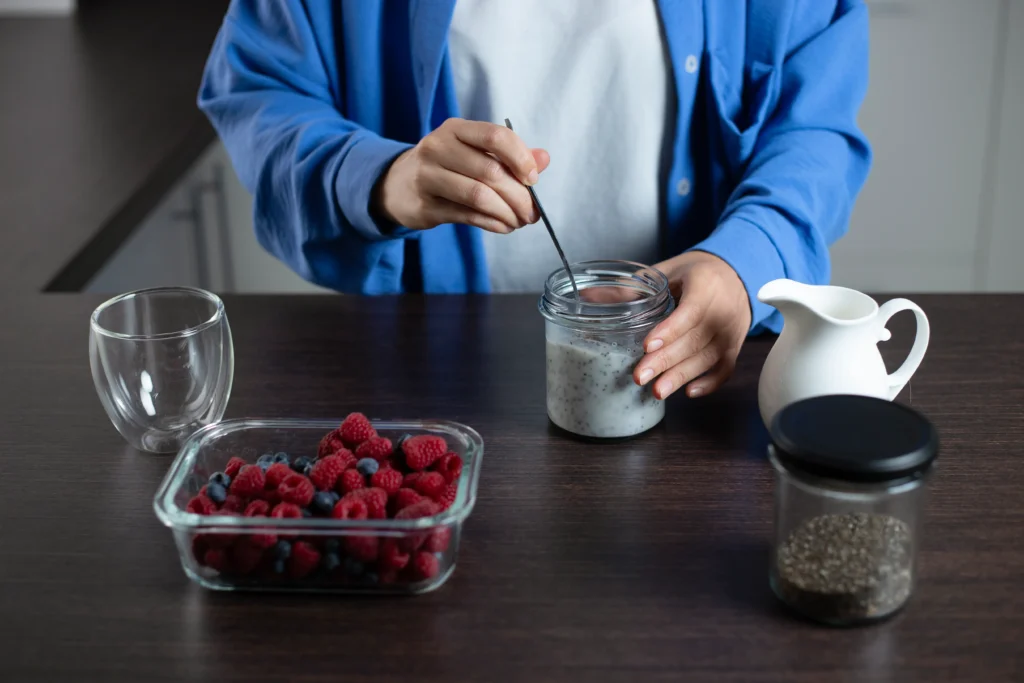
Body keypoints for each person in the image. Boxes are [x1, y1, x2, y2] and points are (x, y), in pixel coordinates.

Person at [198, 0, 871, 400]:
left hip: (688, 390)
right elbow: (261, 94)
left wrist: (742, 263)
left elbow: (813, 125)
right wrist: (383, 178)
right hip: (431, 387)